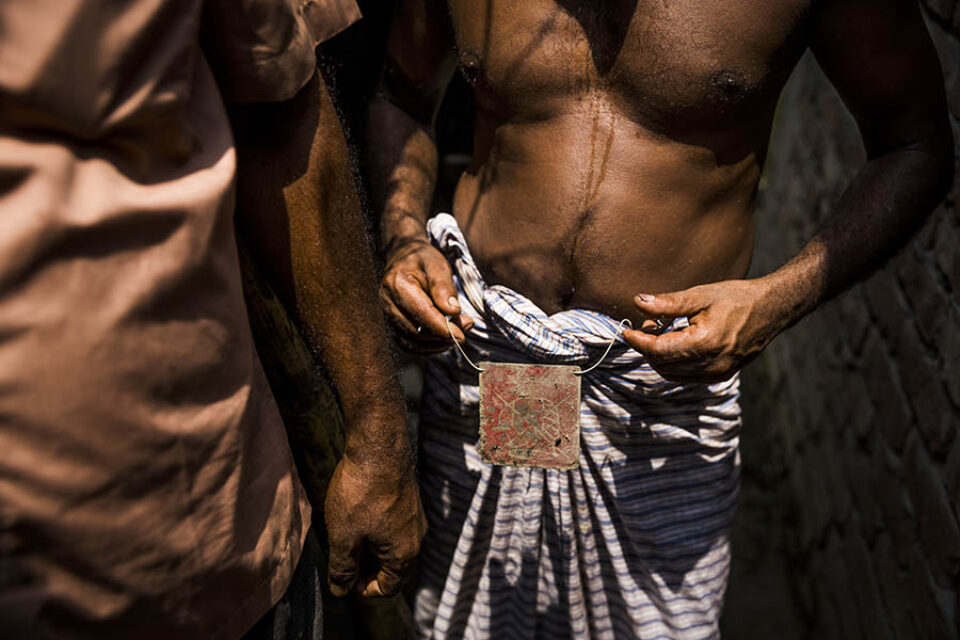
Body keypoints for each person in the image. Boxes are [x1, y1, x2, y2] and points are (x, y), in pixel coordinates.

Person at [366, 0, 953, 638]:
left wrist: (777, 300)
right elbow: (400, 93)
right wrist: (402, 237)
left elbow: (914, 143)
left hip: (657, 400)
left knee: (655, 626)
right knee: (489, 613)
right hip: (505, 363)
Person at [0, 1, 424, 638]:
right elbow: (406, 94)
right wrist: (408, 236)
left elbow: (281, 106)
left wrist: (378, 432)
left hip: (195, 535)